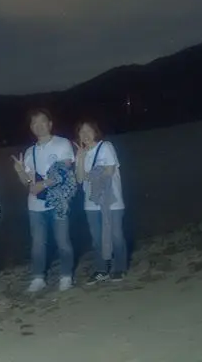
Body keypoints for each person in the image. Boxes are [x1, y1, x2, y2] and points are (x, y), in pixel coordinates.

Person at [12, 108, 76, 294]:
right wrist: (20, 172)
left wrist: (43, 184)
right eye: (34, 123)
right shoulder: (29, 152)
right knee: (38, 244)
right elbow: (28, 183)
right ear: (31, 127)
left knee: (63, 241)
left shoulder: (62, 143)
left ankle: (66, 276)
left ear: (50, 124)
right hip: (35, 205)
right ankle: (38, 278)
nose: (38, 125)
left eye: (42, 121)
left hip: (58, 202)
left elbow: (64, 171)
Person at [75, 120, 127, 282]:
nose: (85, 135)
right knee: (97, 238)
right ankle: (101, 269)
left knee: (115, 235)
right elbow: (79, 178)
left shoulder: (106, 146)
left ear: (95, 132)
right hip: (91, 203)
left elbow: (109, 170)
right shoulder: (81, 153)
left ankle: (120, 267)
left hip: (111, 200)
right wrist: (80, 159)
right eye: (82, 132)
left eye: (88, 130)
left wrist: (89, 174)